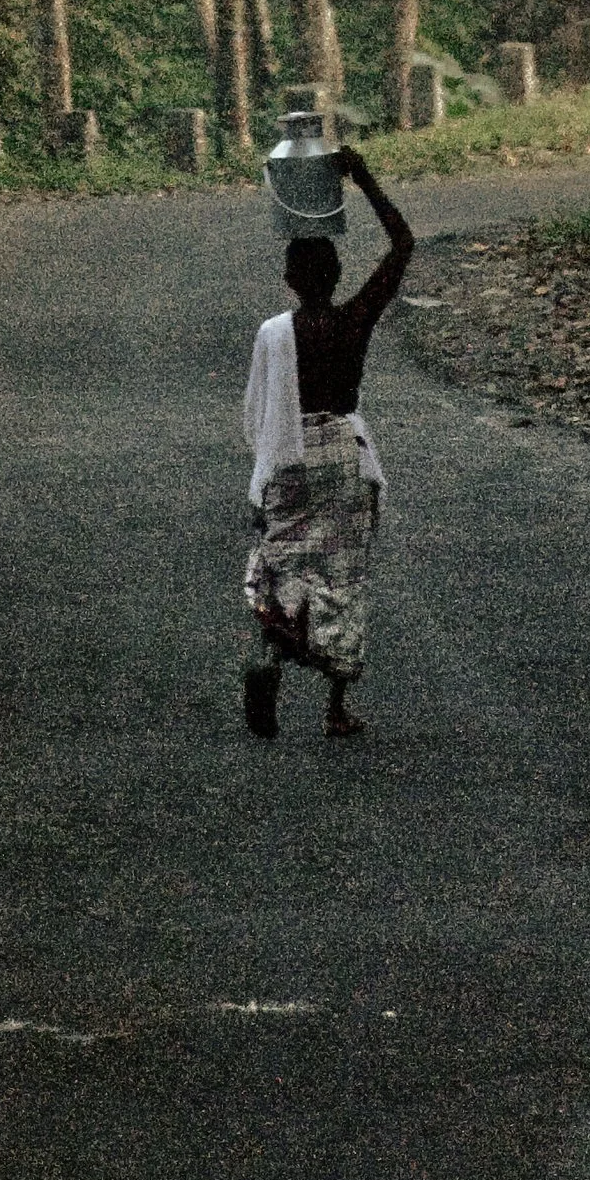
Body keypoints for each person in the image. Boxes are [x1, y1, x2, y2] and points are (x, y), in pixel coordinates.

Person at [240, 141, 414, 740]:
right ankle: (337, 707)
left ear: (289, 279)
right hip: (342, 453)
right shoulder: (353, 319)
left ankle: (275, 649)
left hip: (290, 457)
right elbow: (403, 244)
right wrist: (361, 176)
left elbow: (260, 411)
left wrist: (265, 469)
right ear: (338, 276)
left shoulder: (273, 333)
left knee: (282, 558)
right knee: (342, 574)